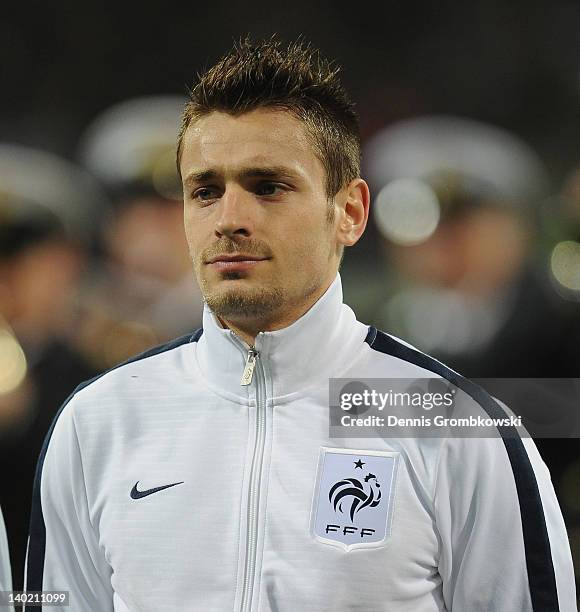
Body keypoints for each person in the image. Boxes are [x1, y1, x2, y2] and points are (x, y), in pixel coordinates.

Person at [25, 37, 576, 611]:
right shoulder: (95, 424)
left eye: (269, 187)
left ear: (351, 213)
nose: (229, 219)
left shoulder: (460, 427)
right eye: (205, 191)